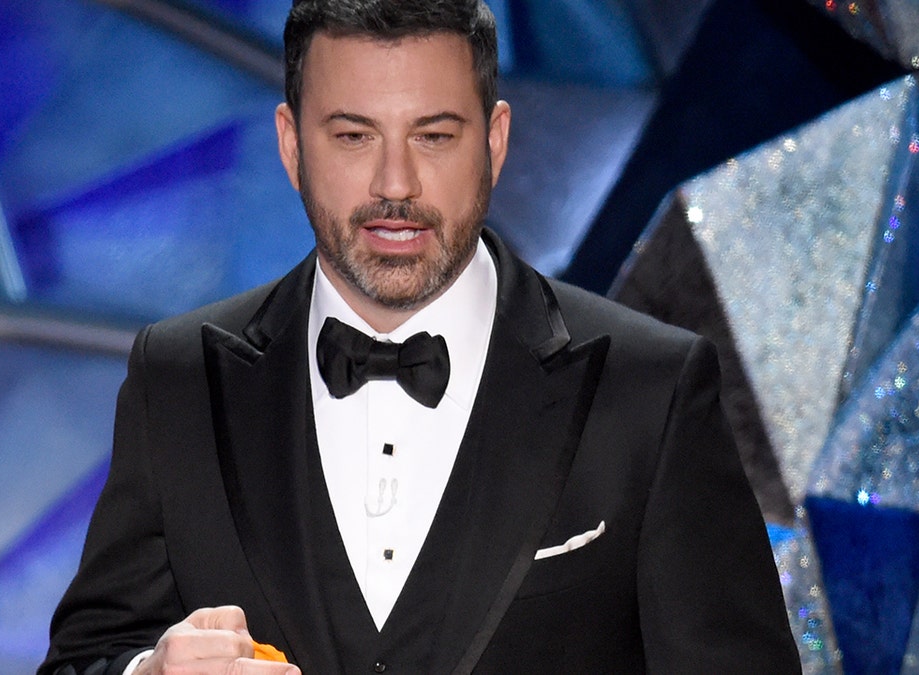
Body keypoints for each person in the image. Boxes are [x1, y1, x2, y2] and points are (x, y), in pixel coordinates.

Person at [40, 1, 802, 673]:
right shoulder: (179, 378)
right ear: (290, 143)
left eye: (434, 136)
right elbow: (83, 658)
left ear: (496, 141)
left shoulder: (650, 386)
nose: (395, 184)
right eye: (352, 136)